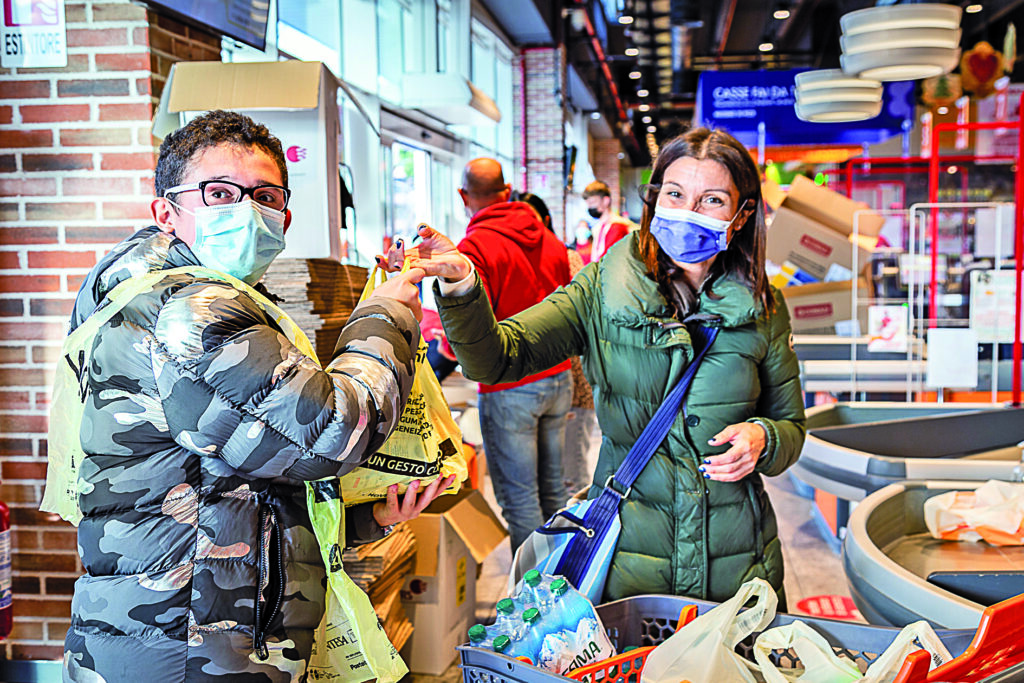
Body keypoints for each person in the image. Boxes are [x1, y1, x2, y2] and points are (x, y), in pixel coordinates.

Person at [61, 110, 454, 681]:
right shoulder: (193, 312)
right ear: (166, 212)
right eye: (219, 193)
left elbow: (227, 484)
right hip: (185, 649)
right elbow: (333, 432)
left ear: (285, 214)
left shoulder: (180, 293)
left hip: (196, 628)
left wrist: (365, 519)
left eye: (265, 195)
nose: (246, 211)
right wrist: (388, 315)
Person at [385, 128, 806, 605]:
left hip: (739, 560)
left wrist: (763, 439)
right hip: (630, 558)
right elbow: (499, 358)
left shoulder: (764, 307)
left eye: (711, 199)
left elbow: (791, 425)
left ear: (742, 213)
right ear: (653, 200)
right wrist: (462, 286)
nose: (687, 212)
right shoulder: (605, 287)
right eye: (674, 193)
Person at [448, 160, 573, 551]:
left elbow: (472, 327)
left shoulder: (475, 248)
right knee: (555, 493)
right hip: (558, 377)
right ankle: (567, 584)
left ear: (463, 196)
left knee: (520, 501)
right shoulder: (549, 239)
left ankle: (533, 603)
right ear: (507, 191)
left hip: (510, 385)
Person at [516, 192, 599, 495]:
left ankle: (575, 541)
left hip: (574, 388)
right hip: (533, 388)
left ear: (545, 222)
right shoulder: (514, 261)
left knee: (571, 477)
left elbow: (584, 319)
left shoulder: (567, 258)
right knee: (544, 480)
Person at [582, 180, 636, 263]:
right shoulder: (597, 228)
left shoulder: (618, 226)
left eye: (592, 202)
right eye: (588, 204)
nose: (590, 207)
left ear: (605, 201)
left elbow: (607, 260)